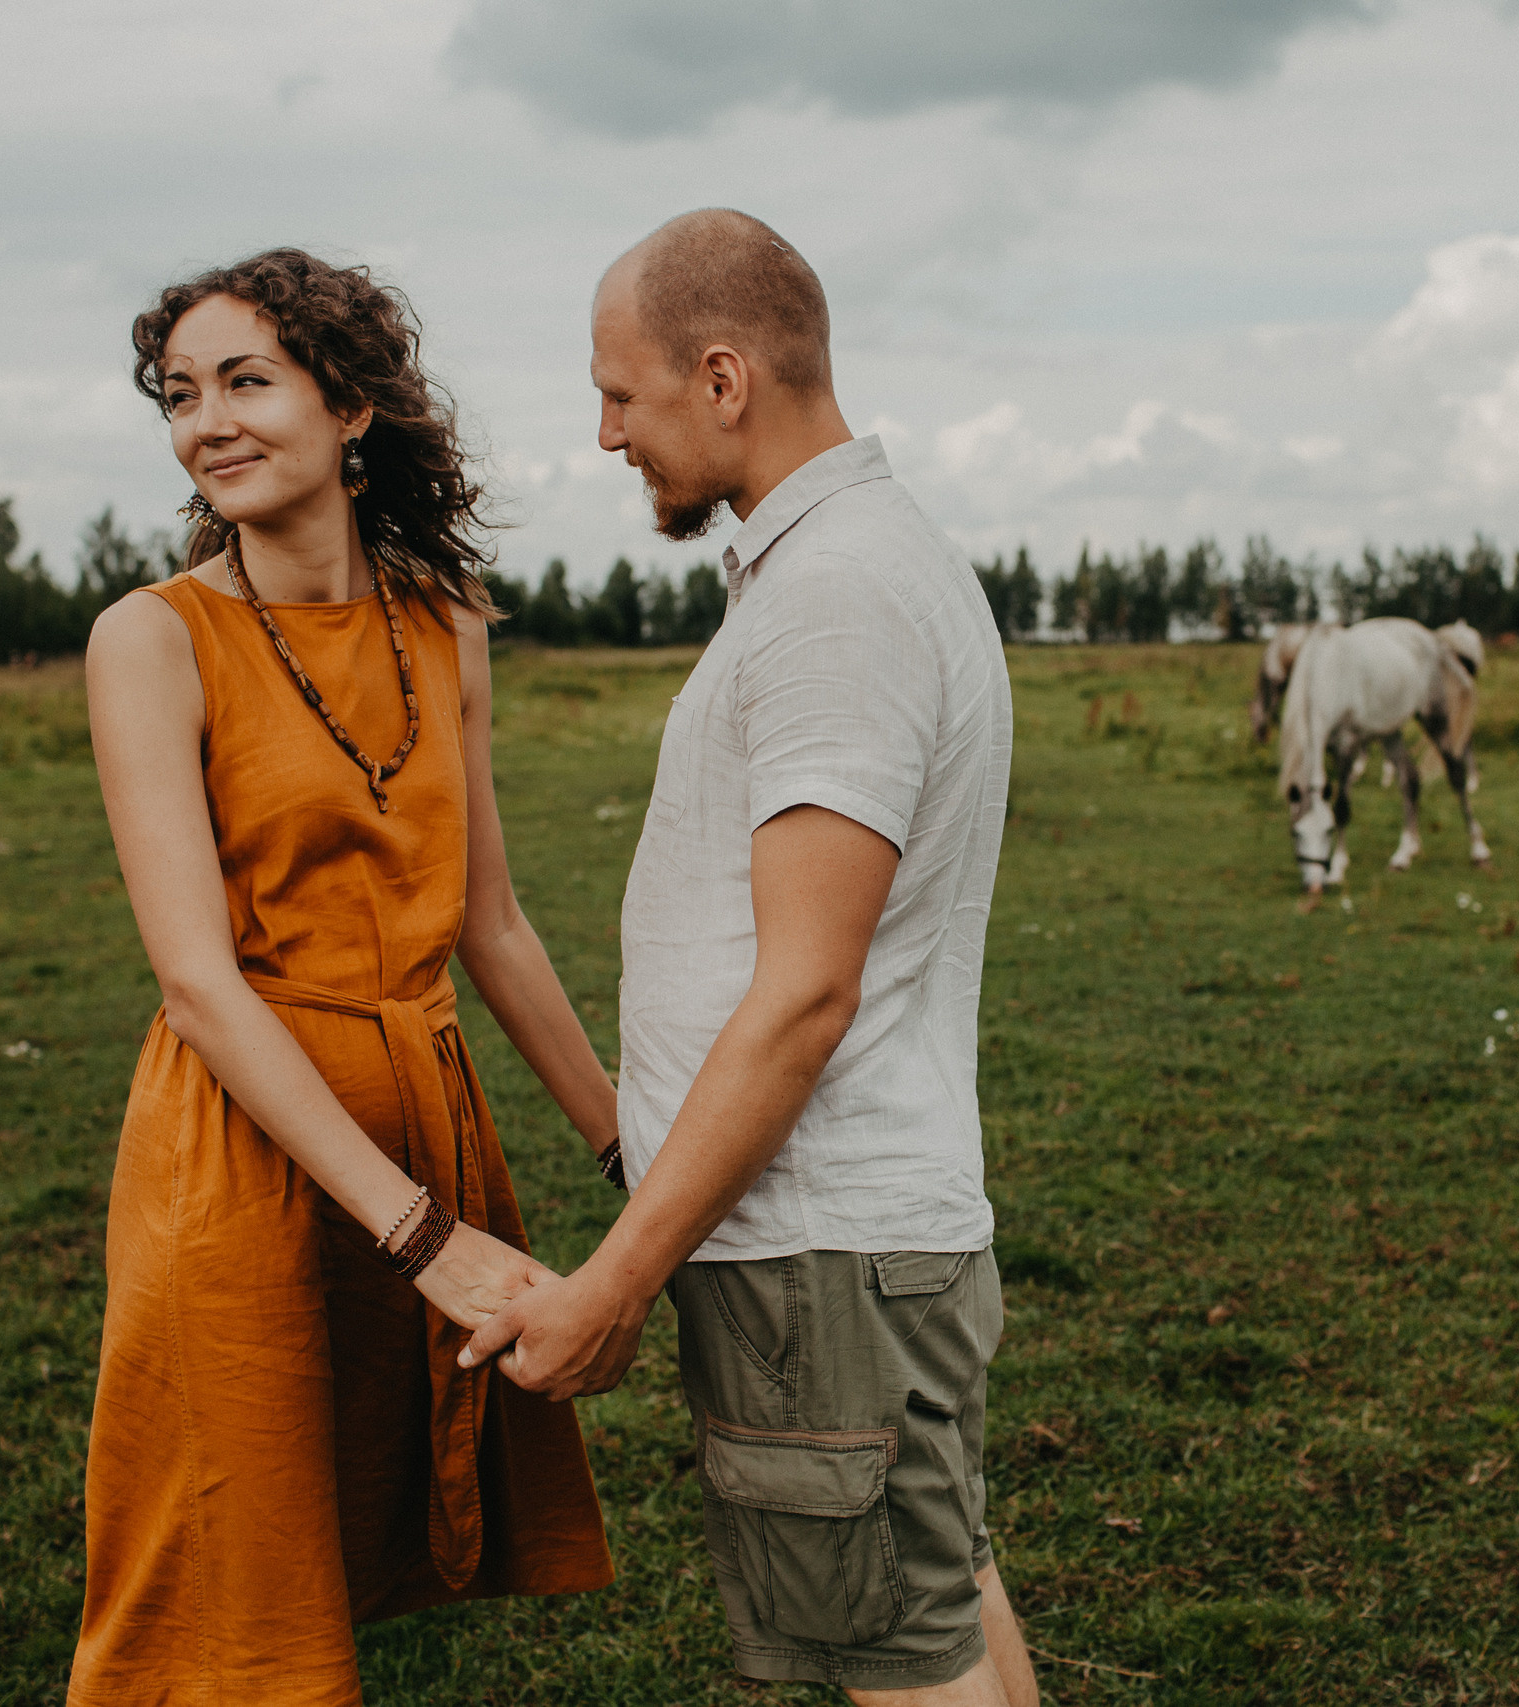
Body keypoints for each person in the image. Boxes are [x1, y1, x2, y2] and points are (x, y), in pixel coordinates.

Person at [461, 209, 1035, 1705]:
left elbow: (805, 995)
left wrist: (613, 1284)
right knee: (938, 1596)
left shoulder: (836, 595)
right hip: (843, 1241)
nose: (602, 433)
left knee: (901, 1660)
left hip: (816, 1252)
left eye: (621, 392)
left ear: (723, 379)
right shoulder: (846, 563)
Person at [70, 249, 615, 1705]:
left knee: (356, 1557)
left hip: (428, 1122)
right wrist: (420, 1237)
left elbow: (491, 923)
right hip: (247, 1168)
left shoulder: (443, 620)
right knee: (221, 1599)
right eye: (181, 395)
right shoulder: (152, 640)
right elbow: (198, 983)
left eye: (248, 380)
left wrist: (630, 1142)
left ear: (355, 405)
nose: (207, 423)